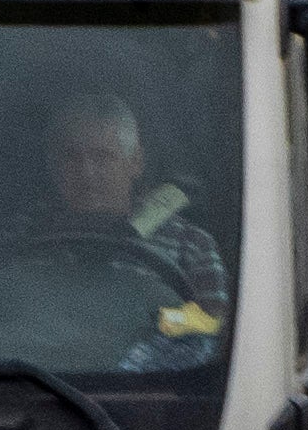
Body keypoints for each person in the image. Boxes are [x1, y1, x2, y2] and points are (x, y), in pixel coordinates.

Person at [16, 88, 226, 311]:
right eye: (71, 157)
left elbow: (212, 336)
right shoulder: (17, 235)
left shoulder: (191, 247)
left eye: (102, 157)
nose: (87, 172)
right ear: (54, 166)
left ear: (136, 162)